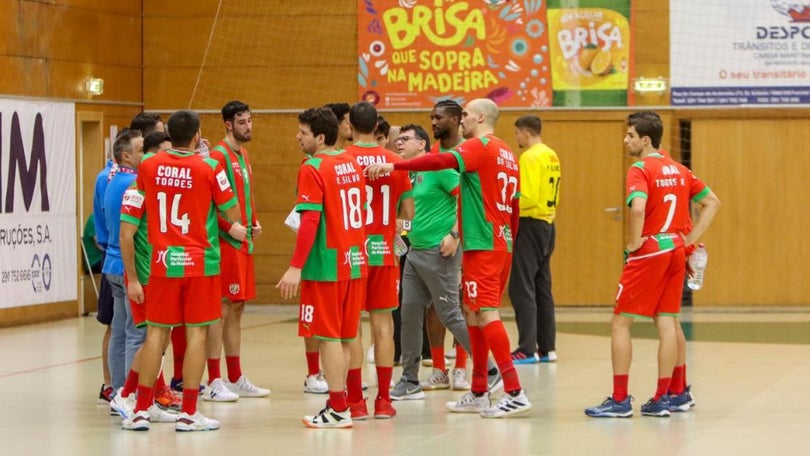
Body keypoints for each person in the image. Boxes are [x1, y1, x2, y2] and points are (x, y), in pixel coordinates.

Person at [367, 98, 531, 418]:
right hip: (497, 242)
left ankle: (514, 389)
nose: (463, 120)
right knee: (472, 313)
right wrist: (507, 239)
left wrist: (394, 165)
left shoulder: (480, 146)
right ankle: (480, 390)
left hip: (483, 243)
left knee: (485, 315)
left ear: (481, 117)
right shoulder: (510, 154)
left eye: (466, 115)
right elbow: (514, 206)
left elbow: (437, 162)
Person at [585, 111, 720, 418]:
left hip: (650, 249)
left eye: (630, 135)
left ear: (645, 140)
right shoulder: (679, 169)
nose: (625, 140)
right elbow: (712, 202)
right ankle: (667, 395)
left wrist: (634, 243)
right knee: (667, 320)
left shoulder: (639, 169)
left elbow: (637, 210)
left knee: (620, 321)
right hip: (675, 248)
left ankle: (619, 400)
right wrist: (689, 240)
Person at [119, 110, 246, 431]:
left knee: (155, 334)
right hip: (200, 264)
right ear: (196, 136)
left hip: (163, 264)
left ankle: (141, 409)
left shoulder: (148, 165)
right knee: (196, 335)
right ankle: (190, 413)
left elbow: (142, 200)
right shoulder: (209, 166)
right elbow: (232, 210)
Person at [276, 107, 368, 429]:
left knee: (328, 338)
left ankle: (339, 409)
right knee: (347, 336)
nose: (297, 137)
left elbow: (310, 219)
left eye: (302, 133)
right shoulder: (351, 163)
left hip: (326, 266)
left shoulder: (313, 167)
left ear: (320, 137)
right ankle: (349, 402)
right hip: (354, 262)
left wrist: (295, 267)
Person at [344, 101, 414, 419]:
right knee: (383, 326)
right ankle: (384, 401)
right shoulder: (394, 161)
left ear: (349, 127)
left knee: (351, 329)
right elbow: (409, 214)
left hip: (352, 254)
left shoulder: (341, 161)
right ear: (377, 128)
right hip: (384, 252)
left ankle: (356, 402)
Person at [203, 100, 270, 402]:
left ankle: (235, 376)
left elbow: (244, 197)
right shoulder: (217, 157)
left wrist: (253, 221)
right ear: (228, 125)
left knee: (237, 308)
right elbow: (206, 205)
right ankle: (214, 379)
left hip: (244, 241)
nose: (249, 126)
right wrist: (229, 228)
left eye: (250, 120)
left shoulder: (242, 155)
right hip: (226, 244)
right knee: (222, 309)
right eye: (242, 122)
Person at [508, 115, 561, 364]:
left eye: (517, 134)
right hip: (548, 224)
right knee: (542, 287)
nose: (516, 138)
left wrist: (507, 206)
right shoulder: (551, 154)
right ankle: (547, 347)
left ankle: (527, 348)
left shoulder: (529, 156)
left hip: (529, 223)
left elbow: (526, 197)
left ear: (525, 132)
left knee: (521, 287)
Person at [102, 130, 146, 398]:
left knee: (119, 330)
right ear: (126, 155)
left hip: (111, 264)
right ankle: (133, 395)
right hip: (126, 266)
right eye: (142, 150)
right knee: (135, 333)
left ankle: (118, 390)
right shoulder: (132, 184)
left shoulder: (110, 180)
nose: (147, 154)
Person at [93, 152, 116, 404]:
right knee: (115, 324)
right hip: (115, 257)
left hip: (118, 257)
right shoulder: (108, 178)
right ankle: (109, 385)